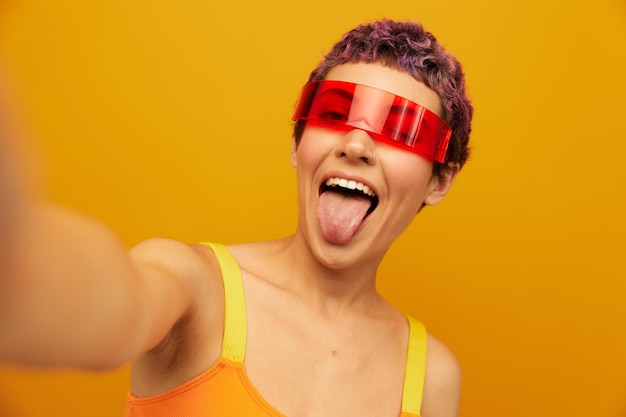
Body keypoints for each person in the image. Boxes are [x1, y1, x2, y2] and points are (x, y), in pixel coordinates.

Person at [0, 18, 473, 417]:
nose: (355, 145)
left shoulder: (432, 376)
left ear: (439, 180)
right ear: (296, 144)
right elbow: (109, 302)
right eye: (334, 114)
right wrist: (17, 256)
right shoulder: (194, 289)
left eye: (402, 131)